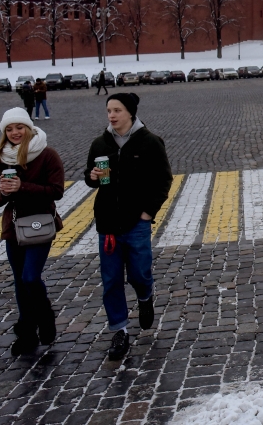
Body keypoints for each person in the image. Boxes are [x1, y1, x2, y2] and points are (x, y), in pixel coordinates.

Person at [85, 92, 173, 360]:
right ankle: (119, 331)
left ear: (130, 113)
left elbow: (163, 180)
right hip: (108, 224)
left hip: (136, 223)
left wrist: (148, 213)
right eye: (109, 110)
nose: (112, 115)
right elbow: (91, 179)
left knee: (139, 274)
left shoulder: (150, 142)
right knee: (111, 280)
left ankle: (145, 297)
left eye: (117, 110)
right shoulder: (100, 144)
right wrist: (92, 177)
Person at [0, 107, 65, 356]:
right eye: (9, 129)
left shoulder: (47, 154)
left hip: (40, 223)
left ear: (29, 128)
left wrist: (23, 187)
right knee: (20, 282)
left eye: (19, 127)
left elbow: (56, 191)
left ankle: (45, 317)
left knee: (31, 277)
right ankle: (28, 332)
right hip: (13, 228)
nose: (14, 133)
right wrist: (4, 193)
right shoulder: (3, 157)